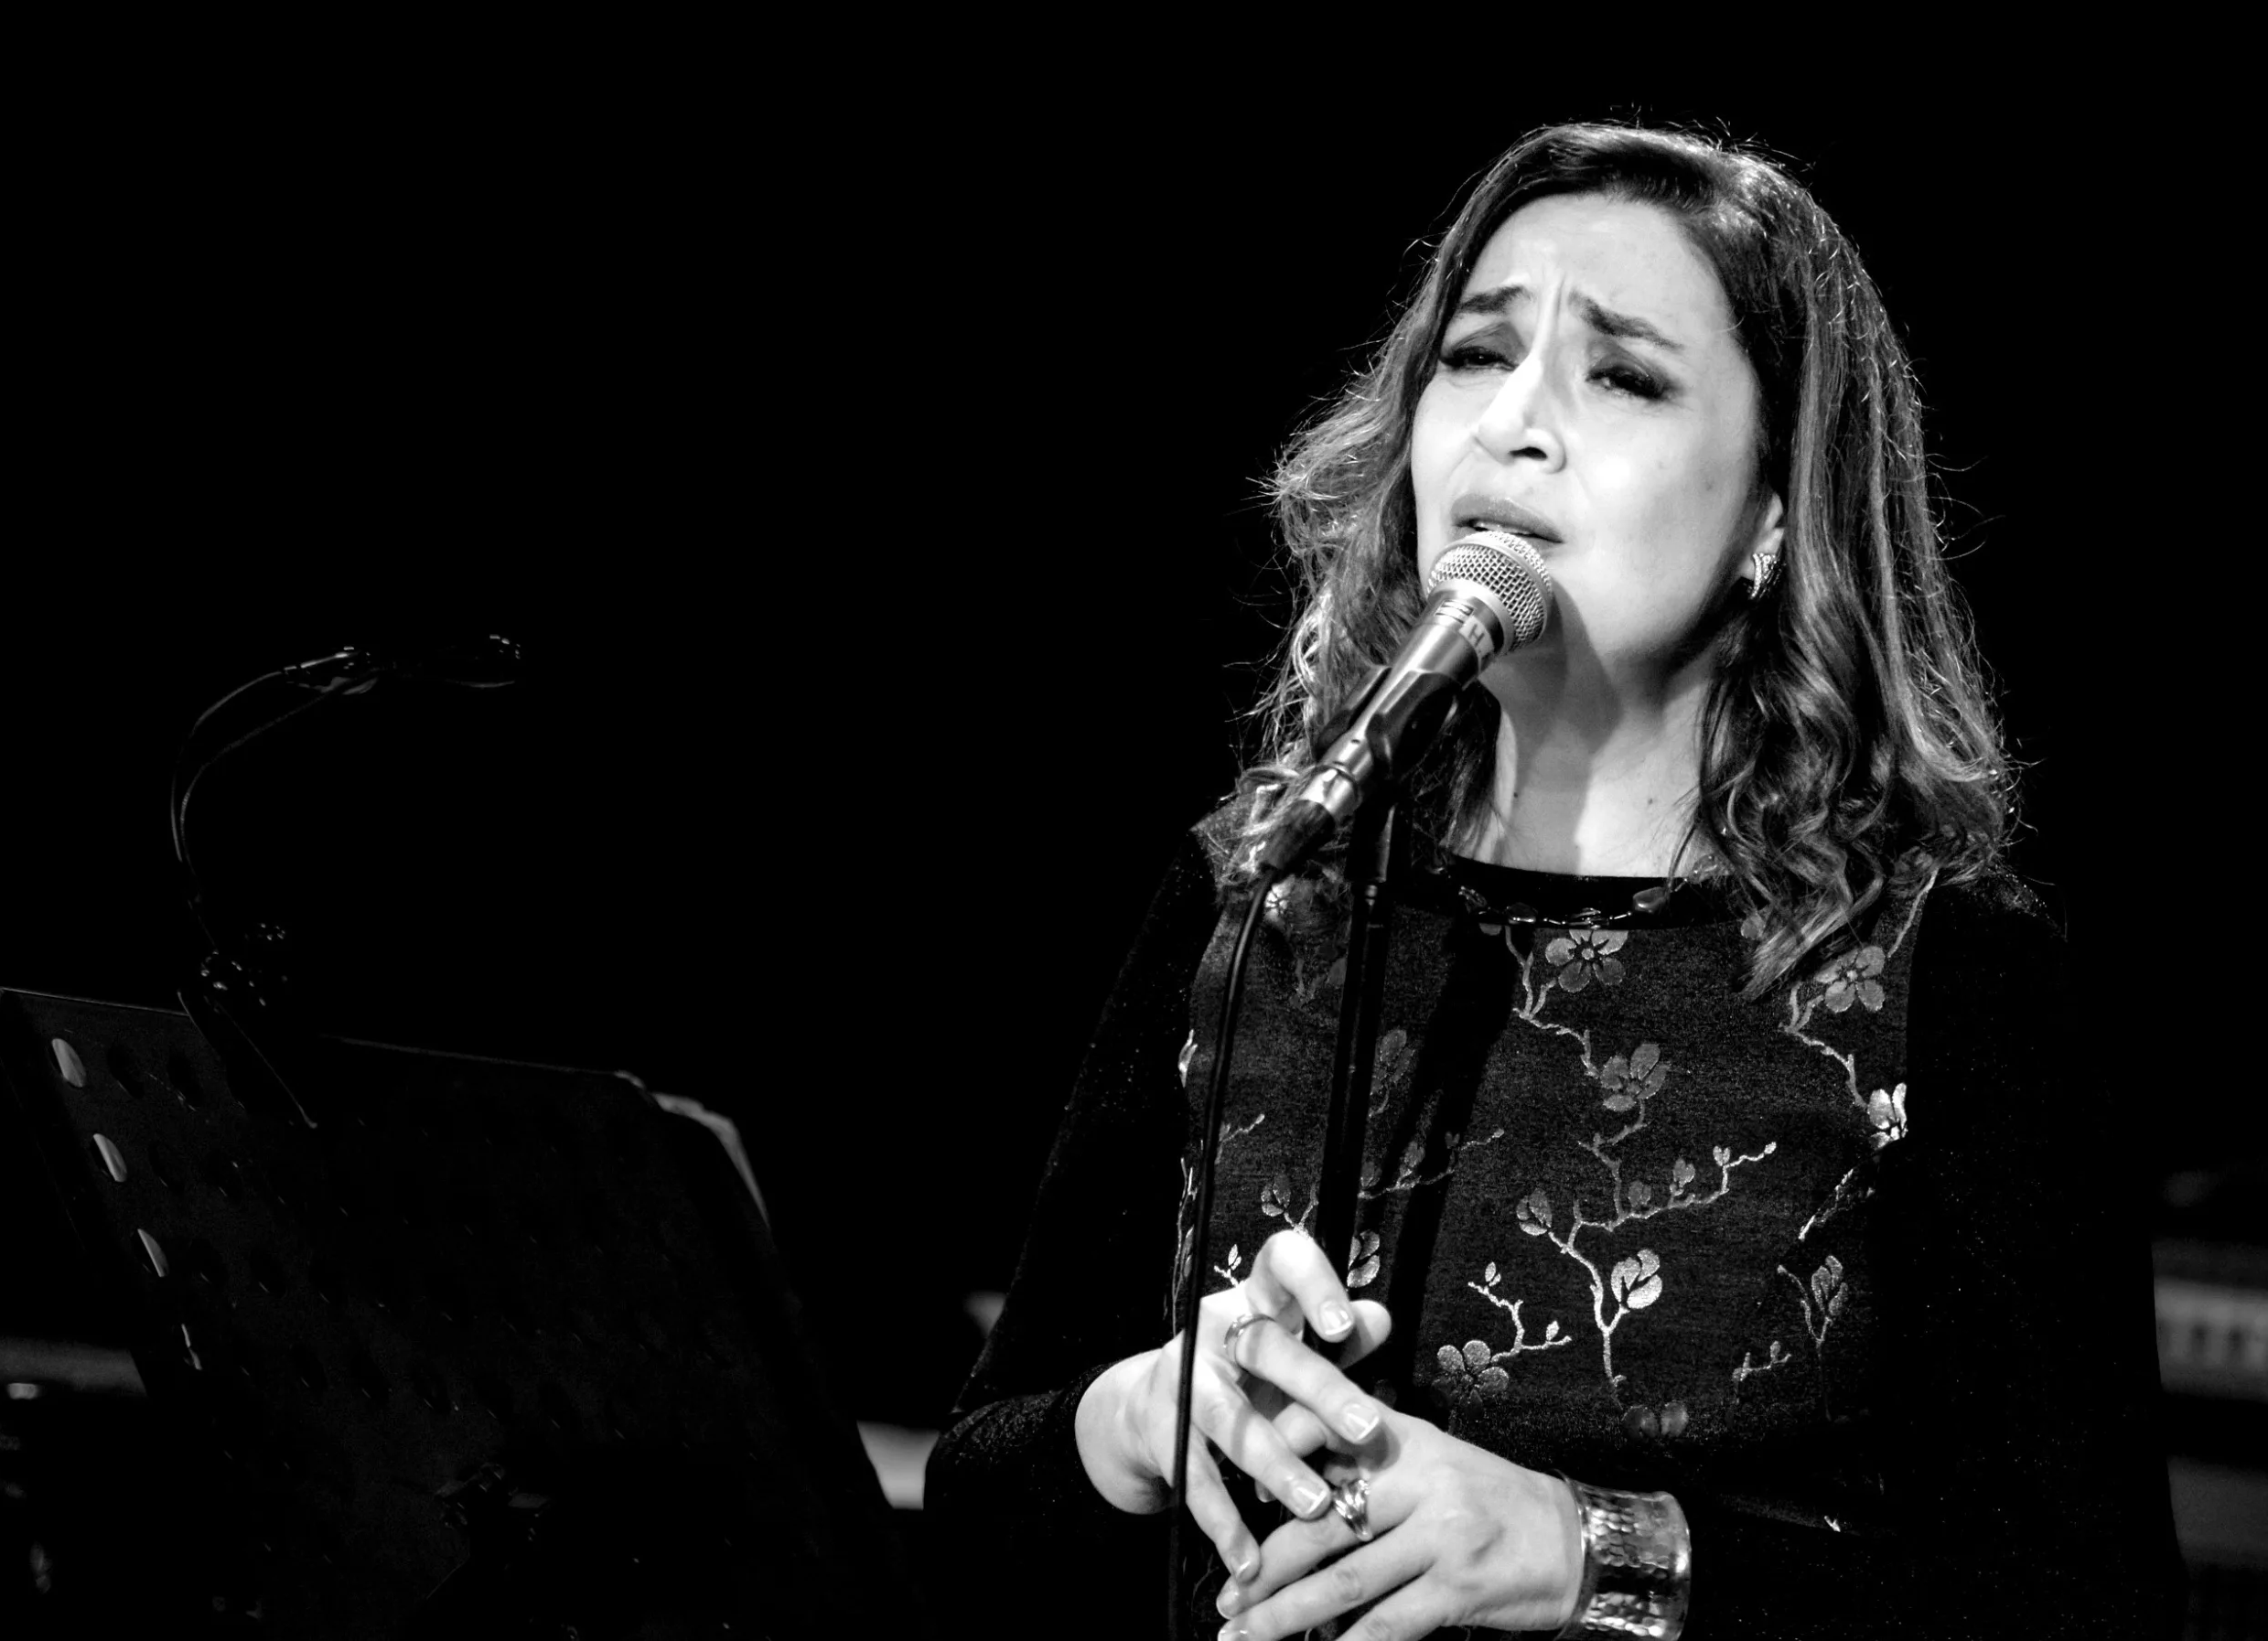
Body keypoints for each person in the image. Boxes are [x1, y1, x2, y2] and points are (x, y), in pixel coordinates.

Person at [923, 123, 2181, 1638]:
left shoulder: (1940, 970)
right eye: (1475, 355)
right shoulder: (1265, 890)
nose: (1513, 422)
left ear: (1775, 511)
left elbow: (2088, 1610)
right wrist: (1137, 1418)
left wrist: (1594, 1550)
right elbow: (976, 1500)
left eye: (1623, 375)